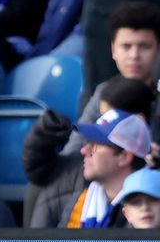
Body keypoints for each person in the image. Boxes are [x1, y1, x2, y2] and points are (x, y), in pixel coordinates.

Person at [25, 76, 156, 227]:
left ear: (124, 156)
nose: (84, 150)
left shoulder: (147, 212)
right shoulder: (84, 198)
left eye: (95, 145)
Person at [62, 2, 160, 154]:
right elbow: (74, 151)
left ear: (158, 50)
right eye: (126, 46)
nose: (134, 56)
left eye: (144, 46)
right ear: (113, 50)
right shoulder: (104, 92)